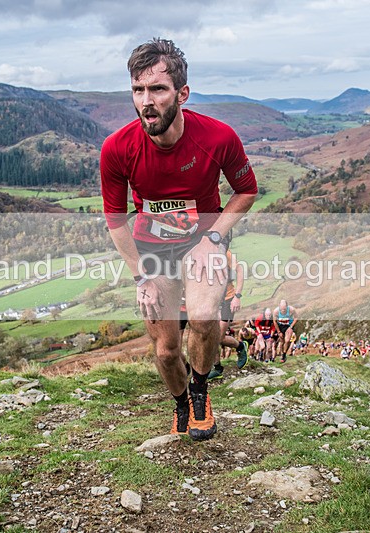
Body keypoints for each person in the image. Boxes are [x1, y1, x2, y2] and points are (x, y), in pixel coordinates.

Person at [100, 38, 257, 441]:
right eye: (138, 90)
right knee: (167, 351)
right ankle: (181, 402)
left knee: (205, 317)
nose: (146, 101)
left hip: (203, 242)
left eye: (158, 89)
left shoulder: (218, 137)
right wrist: (141, 279)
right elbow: (116, 221)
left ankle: (202, 394)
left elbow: (246, 190)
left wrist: (215, 238)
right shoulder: (117, 149)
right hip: (151, 250)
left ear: (182, 94)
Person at [208, 248, 248, 380]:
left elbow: (240, 269)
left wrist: (237, 296)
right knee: (210, 335)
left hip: (227, 299)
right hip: (211, 301)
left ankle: (240, 346)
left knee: (218, 337)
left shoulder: (223, 252)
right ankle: (217, 367)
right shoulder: (199, 253)